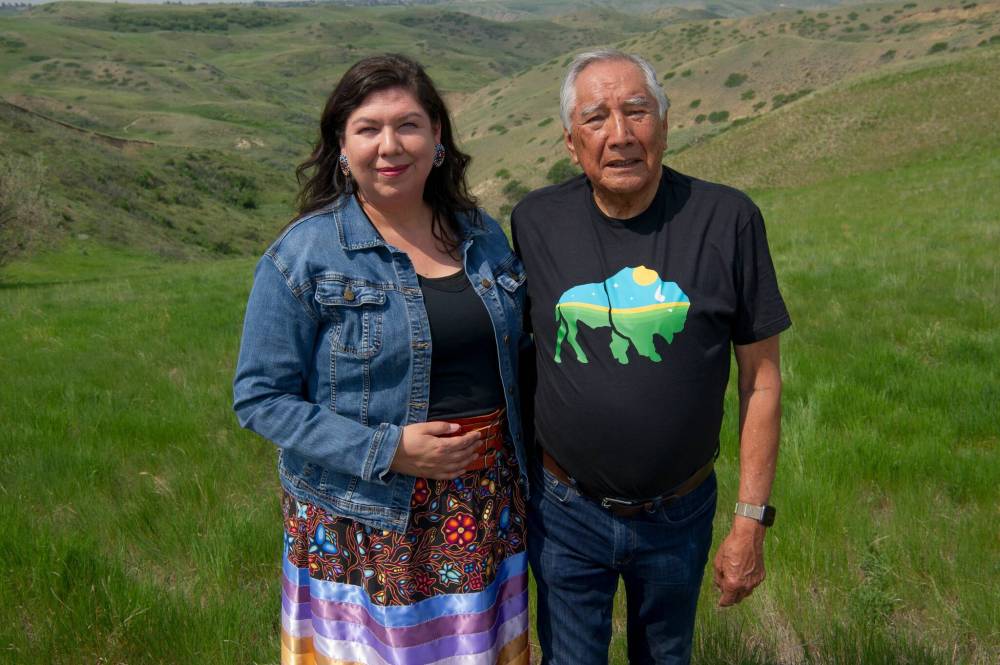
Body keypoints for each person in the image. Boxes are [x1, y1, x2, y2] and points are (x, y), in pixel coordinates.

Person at [233, 54, 530, 665]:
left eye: (409, 125)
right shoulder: (304, 255)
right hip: (365, 516)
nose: (389, 146)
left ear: (438, 138)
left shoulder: (481, 235)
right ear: (342, 145)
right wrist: (389, 449)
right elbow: (260, 398)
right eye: (368, 128)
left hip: (486, 507)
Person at [511, 49, 791, 664]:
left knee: (666, 658)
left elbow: (761, 382)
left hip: (679, 511)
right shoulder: (534, 221)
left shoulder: (728, 219)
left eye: (637, 112)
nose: (620, 135)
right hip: (563, 509)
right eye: (596, 118)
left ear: (665, 124)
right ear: (570, 141)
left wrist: (750, 522)